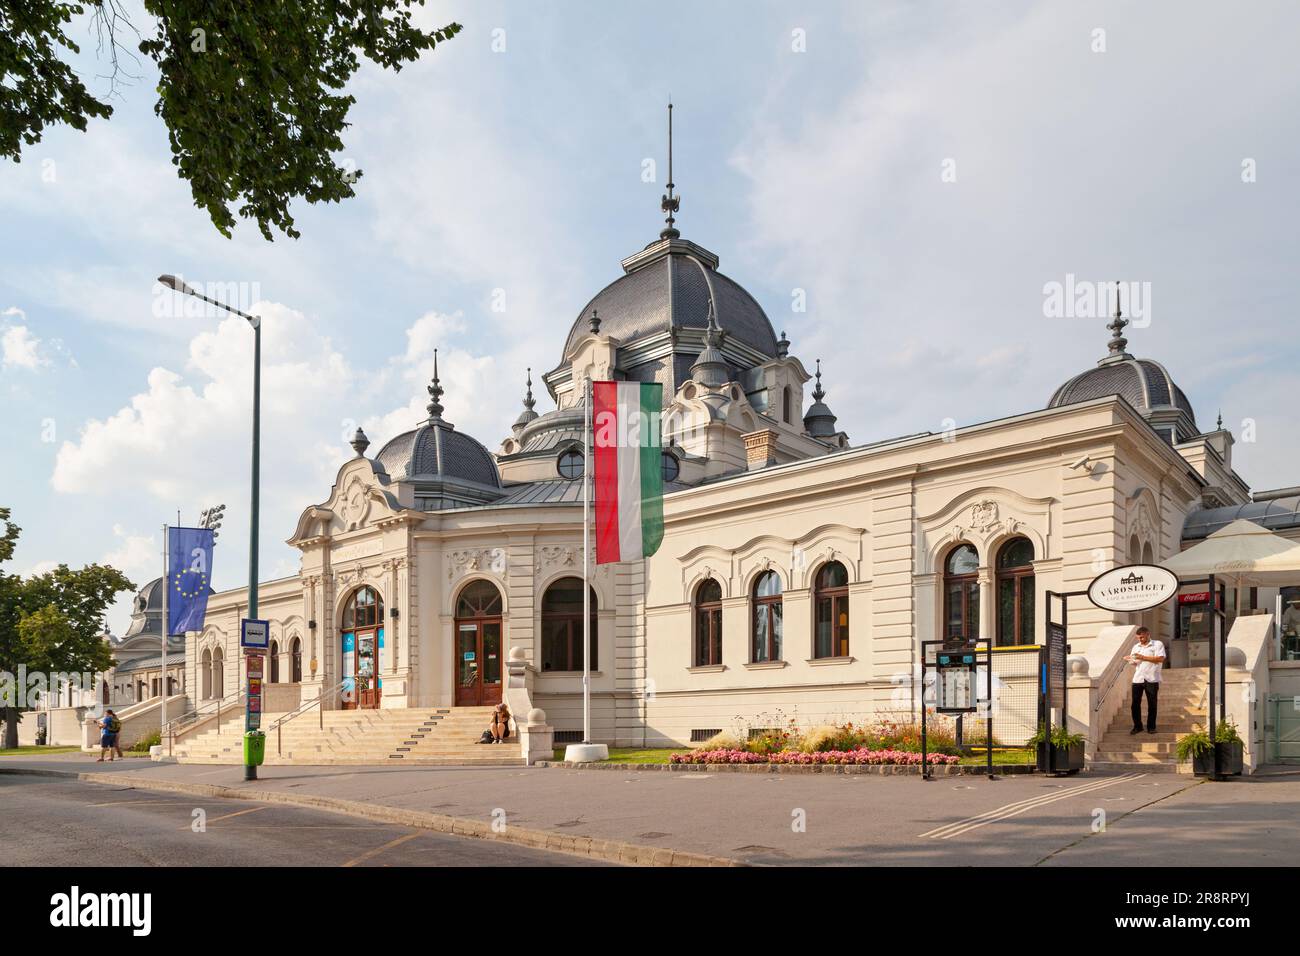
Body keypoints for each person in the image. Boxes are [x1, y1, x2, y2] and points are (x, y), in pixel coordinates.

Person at [1125, 626, 1165, 735]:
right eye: (1138, 638)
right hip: (1138, 678)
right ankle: (1137, 726)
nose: (1140, 640)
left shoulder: (1157, 644)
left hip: (1151, 678)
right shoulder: (1136, 646)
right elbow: (1135, 663)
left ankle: (1151, 727)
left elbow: (1160, 659)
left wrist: (1142, 657)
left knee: (1152, 704)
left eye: (1142, 637)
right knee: (1135, 704)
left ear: (1148, 634)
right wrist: (1130, 660)